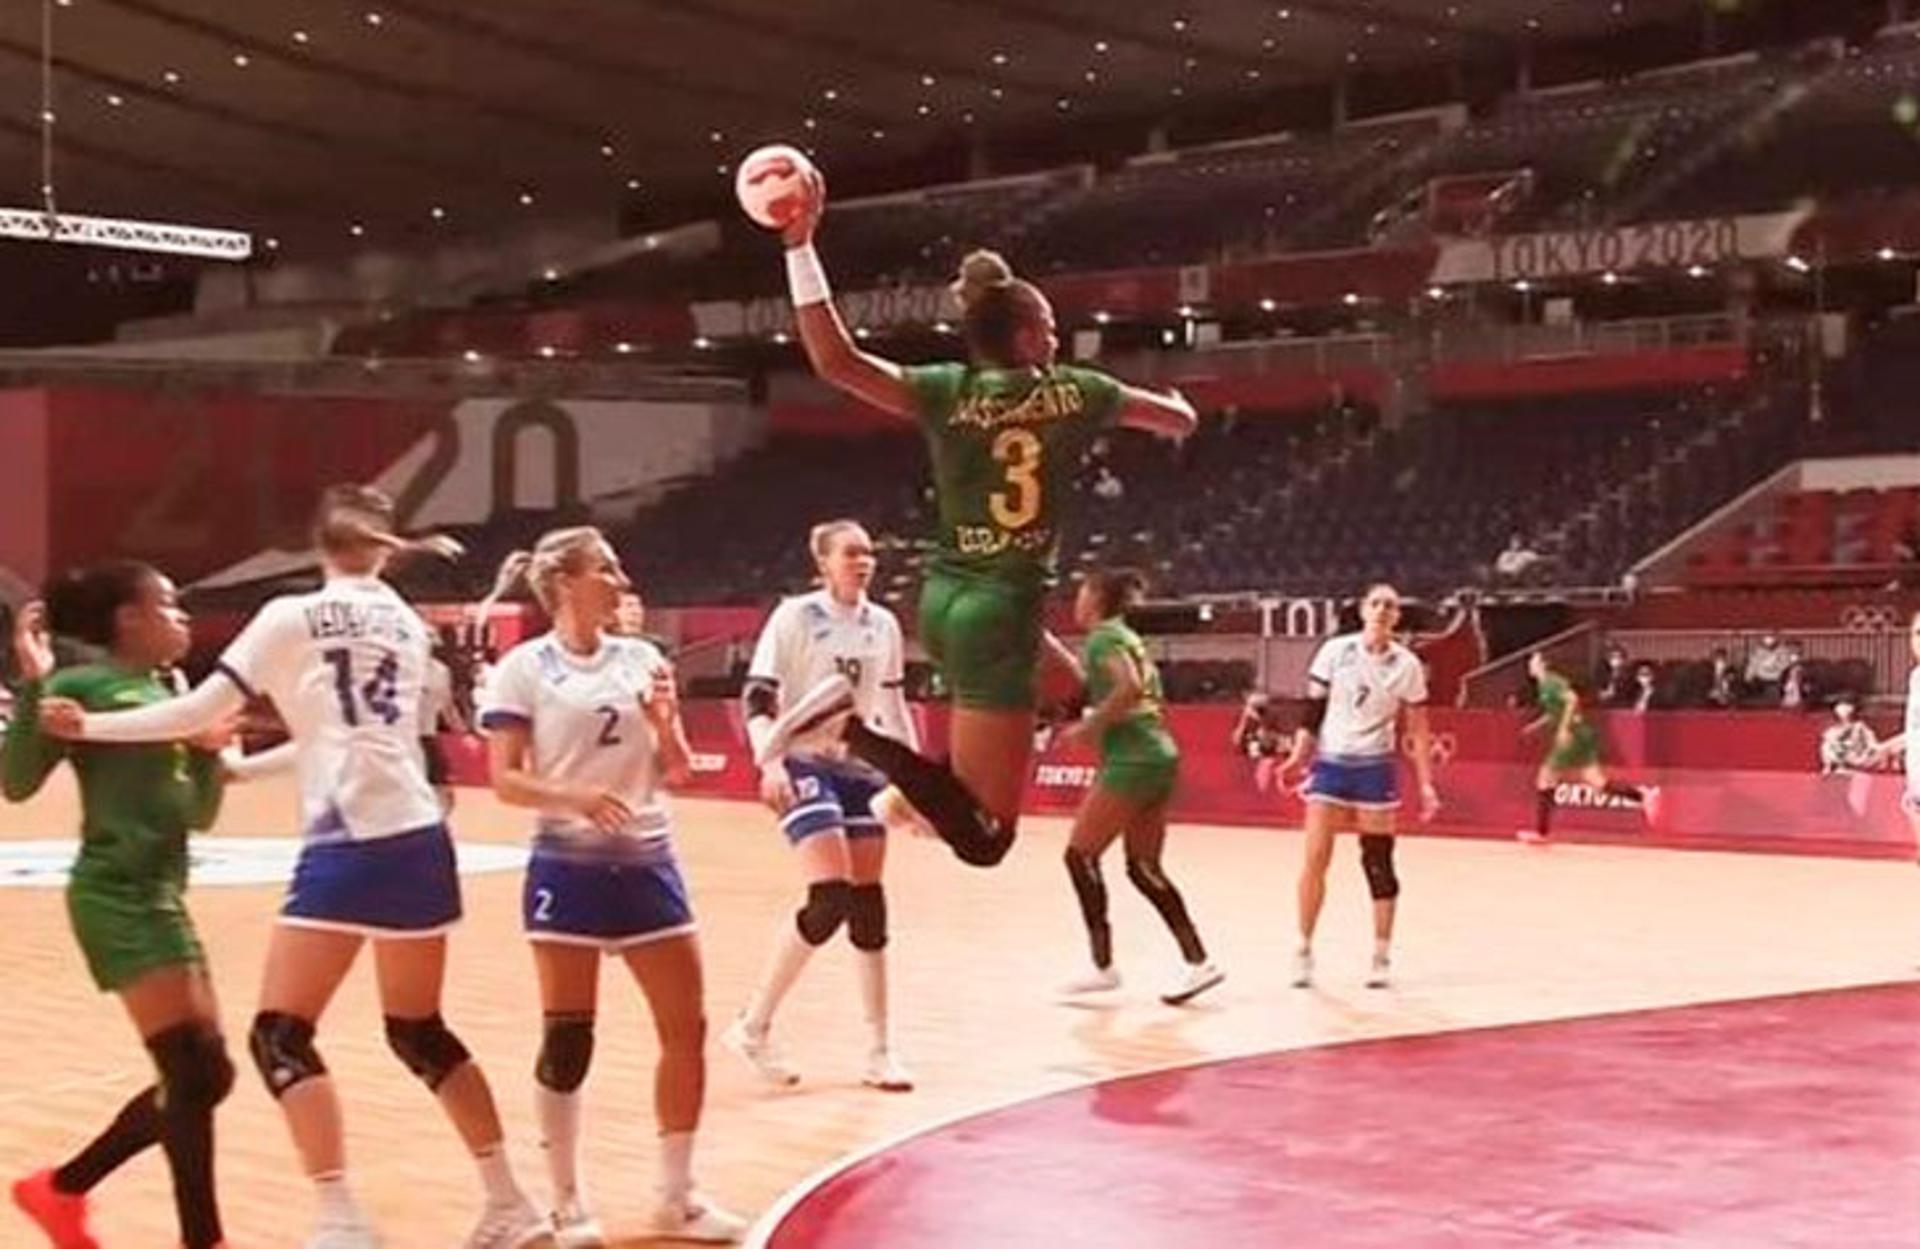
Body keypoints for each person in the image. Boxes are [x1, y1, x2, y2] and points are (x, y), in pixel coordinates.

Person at [38, 486, 548, 1249]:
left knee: (280, 1036)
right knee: (419, 1029)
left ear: (320, 542)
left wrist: (94, 725)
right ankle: (510, 1202)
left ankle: (342, 1219)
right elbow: (358, 735)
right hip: (418, 834)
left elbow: (192, 712)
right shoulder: (406, 625)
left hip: (349, 841)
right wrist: (245, 772)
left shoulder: (289, 617)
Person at [756, 167, 1198, 872]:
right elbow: (1179, 421)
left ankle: (905, 794)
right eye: (1049, 329)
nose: (1057, 341)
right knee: (987, 835)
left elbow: (835, 360)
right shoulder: (1078, 391)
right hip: (1002, 611)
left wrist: (800, 246)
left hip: (944, 598)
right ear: (1024, 337)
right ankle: (850, 731)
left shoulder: (945, 390)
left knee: (1067, 690)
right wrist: (1172, 400)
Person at [479, 527, 746, 1245]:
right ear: (566, 582)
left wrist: (665, 725)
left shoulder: (642, 657)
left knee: (685, 1028)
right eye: (606, 568)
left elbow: (681, 768)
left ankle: (677, 1194)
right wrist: (576, 799)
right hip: (566, 868)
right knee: (569, 1038)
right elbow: (504, 779)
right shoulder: (522, 668)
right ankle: (568, 1201)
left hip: (650, 860)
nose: (621, 578)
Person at [4, 567, 244, 1249]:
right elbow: (16, 781)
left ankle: (60, 1189)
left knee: (208, 1074)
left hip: (164, 894)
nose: (182, 615)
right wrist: (33, 684)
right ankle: (203, 1239)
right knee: (193, 1073)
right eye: (167, 603)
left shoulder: (172, 692)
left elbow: (197, 812)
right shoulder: (84, 686)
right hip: (115, 893)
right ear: (127, 619)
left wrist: (206, 753)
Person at [724, 520, 918, 1094]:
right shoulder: (794, 616)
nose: (864, 561)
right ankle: (753, 1025)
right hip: (802, 759)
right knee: (829, 895)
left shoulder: (882, 624)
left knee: (868, 902)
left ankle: (880, 1050)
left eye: (869, 553)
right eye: (851, 552)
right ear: (823, 562)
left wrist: (914, 776)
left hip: (858, 764)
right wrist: (770, 761)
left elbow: (892, 702)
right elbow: (758, 696)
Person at [1056, 569, 1222, 1005]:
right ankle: (1199, 962)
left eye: (1081, 592)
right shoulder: (1123, 635)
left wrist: (1089, 726)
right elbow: (1112, 680)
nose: (1076, 600)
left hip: (1133, 758)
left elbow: (1127, 687)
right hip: (1160, 753)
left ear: (1094, 598)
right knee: (1143, 867)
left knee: (1079, 855)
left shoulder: (1102, 638)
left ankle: (1102, 966)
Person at [1278, 584, 1439, 990]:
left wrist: (1426, 784)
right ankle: (1302, 949)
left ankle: (1381, 955)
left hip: (1375, 768)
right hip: (1331, 764)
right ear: (1364, 610)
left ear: (1397, 617)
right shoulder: (1336, 651)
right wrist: (1299, 755)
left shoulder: (1408, 666)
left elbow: (1418, 728)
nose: (1383, 610)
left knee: (1378, 862)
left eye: (1391, 605)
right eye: (1376, 603)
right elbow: (1312, 709)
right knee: (1315, 858)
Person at [1520, 651, 1663, 845]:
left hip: (1573, 736)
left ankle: (1541, 833)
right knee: (1597, 782)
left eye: (1534, 661)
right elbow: (1554, 711)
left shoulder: (1552, 682)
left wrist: (1563, 730)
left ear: (1543, 665)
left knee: (1545, 778)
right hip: (1582, 735)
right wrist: (1535, 726)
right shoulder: (1542, 687)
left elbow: (1571, 700)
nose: (1530, 665)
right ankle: (1642, 796)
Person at [1819, 697, 1881, 775]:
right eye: (1840, 706)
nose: (1842, 709)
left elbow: (1873, 745)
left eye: (1846, 706)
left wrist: (1864, 756)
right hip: (1840, 769)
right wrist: (1828, 766)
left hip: (1860, 767)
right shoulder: (1830, 732)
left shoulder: (1861, 727)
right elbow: (1826, 749)